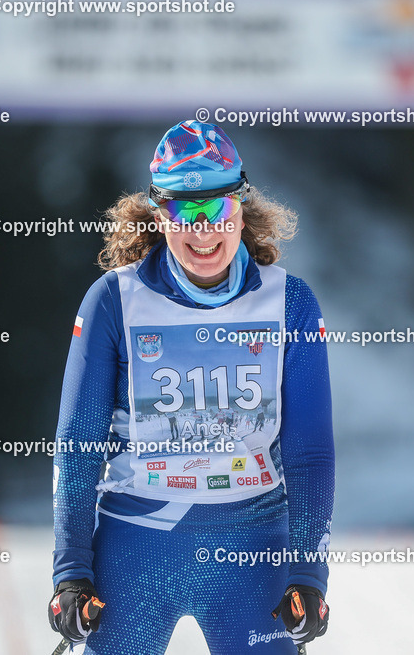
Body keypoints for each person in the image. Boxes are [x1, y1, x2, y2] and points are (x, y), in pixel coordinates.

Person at [48, 121, 334, 654]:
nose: (202, 231)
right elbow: (79, 447)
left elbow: (310, 452)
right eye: (184, 211)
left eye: (217, 211)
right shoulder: (113, 301)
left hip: (252, 556)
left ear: (240, 209)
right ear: (159, 216)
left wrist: (309, 573)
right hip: (136, 553)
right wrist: (71, 573)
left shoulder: (291, 303)